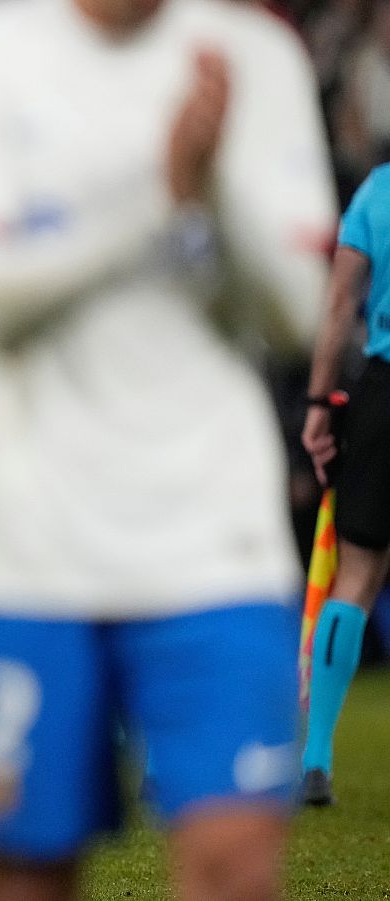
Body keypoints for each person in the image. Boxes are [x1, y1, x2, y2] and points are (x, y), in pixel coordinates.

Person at [0, 0, 336, 899]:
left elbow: (296, 311)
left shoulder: (254, 56)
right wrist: (154, 201)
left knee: (239, 867)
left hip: (212, 538)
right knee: (30, 872)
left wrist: (209, 194)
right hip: (24, 538)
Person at [299, 129, 390, 808]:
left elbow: (338, 304)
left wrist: (318, 400)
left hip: (384, 390)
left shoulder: (376, 192)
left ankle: (315, 756)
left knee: (355, 574)